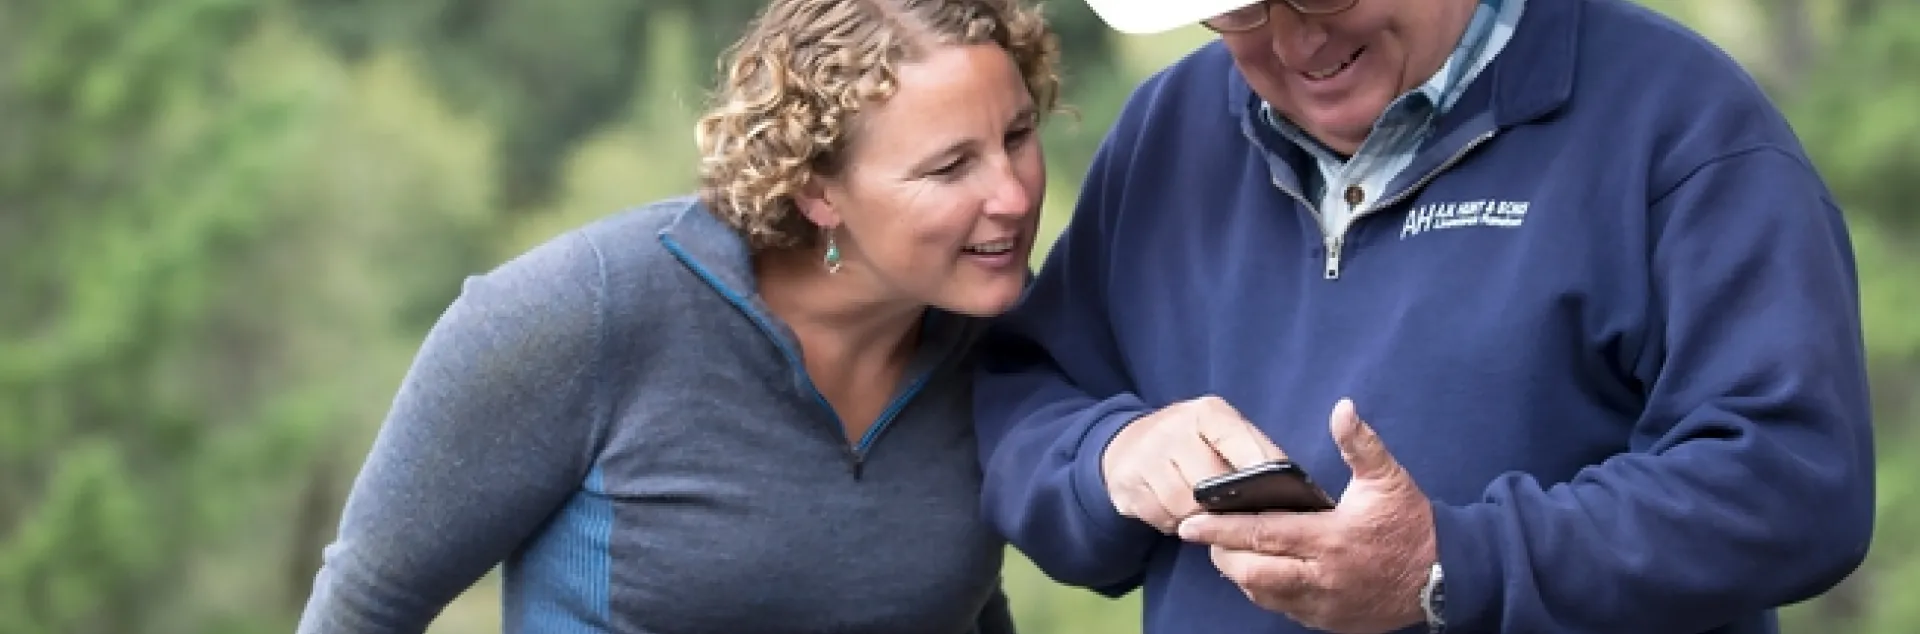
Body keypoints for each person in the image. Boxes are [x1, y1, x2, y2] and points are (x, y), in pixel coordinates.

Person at [972, 0, 1875, 632]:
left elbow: (1793, 483)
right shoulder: (1166, 130)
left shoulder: (1679, 125)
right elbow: (1025, 394)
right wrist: (1110, 456)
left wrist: (1451, 565)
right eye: (1241, 11)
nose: (1295, 40)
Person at [294, 0, 1062, 631]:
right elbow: (367, 606)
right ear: (817, 191)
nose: (1014, 194)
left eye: (1018, 136)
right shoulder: (580, 311)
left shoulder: (993, 333)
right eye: (950, 166)